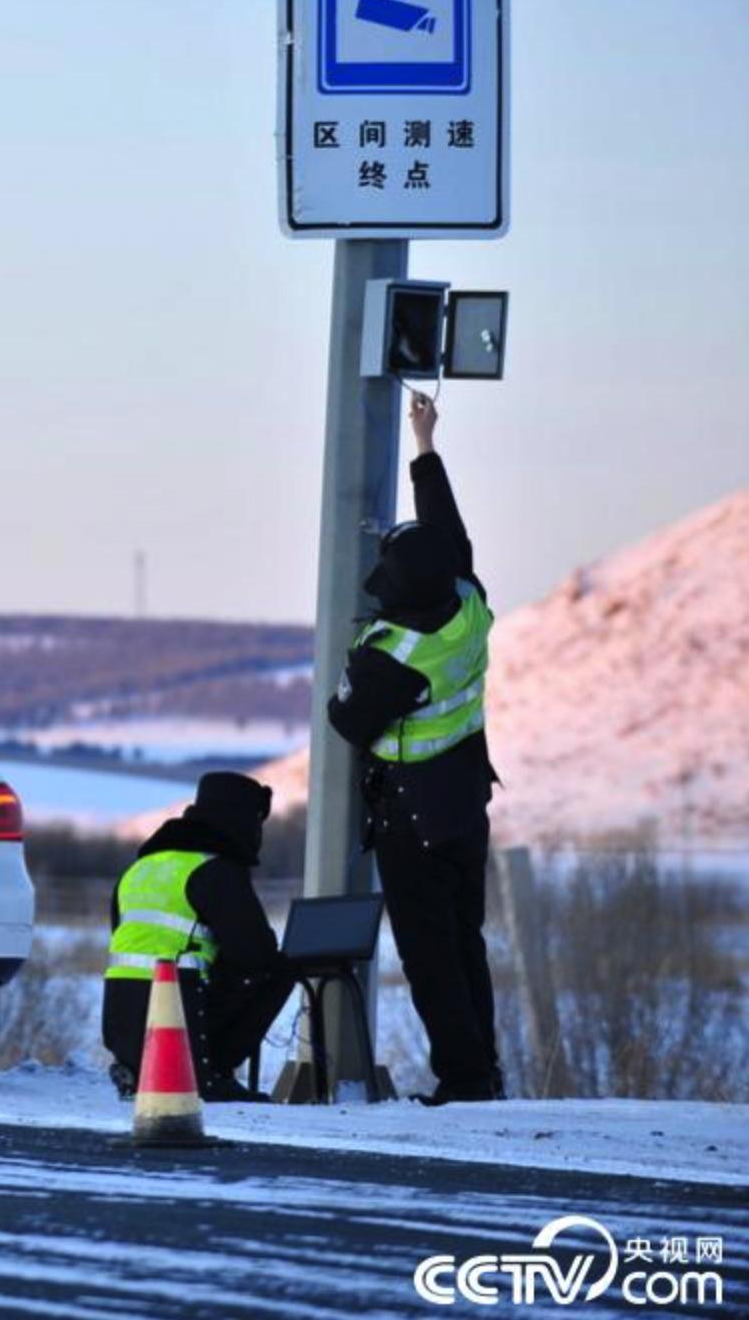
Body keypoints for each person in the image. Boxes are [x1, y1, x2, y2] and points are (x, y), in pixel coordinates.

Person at [327, 393, 501, 1106]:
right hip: (465, 802)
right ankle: (482, 1072)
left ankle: (463, 1081)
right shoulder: (467, 603)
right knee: (467, 943)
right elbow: (446, 531)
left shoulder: (395, 656)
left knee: (431, 956)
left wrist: (345, 672)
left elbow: (346, 721)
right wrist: (424, 444)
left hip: (414, 817)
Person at [101, 772, 294, 1103]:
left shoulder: (141, 868)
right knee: (276, 970)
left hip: (121, 1021)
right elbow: (255, 953)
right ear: (242, 820)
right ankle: (211, 1069)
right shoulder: (214, 870)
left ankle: (138, 1067)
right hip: (178, 1021)